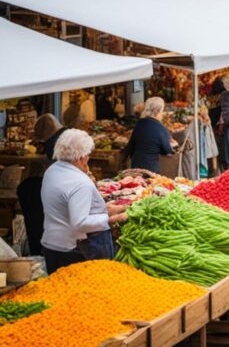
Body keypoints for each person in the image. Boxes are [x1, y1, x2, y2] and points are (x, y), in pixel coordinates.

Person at [40, 129, 128, 272]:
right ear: (82, 157)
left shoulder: (52, 170)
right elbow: (80, 223)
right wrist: (110, 218)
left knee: (59, 291)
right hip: (75, 250)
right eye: (87, 155)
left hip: (52, 244)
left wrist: (101, 208)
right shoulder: (80, 182)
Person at [124, 97, 175, 173]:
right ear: (158, 111)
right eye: (162, 110)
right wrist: (174, 145)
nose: (162, 114)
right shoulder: (161, 128)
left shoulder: (139, 124)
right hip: (151, 168)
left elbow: (130, 146)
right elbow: (167, 151)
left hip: (136, 166)